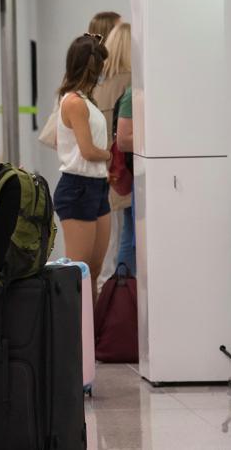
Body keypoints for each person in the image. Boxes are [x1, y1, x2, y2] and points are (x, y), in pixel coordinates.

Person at [53, 34, 113, 302]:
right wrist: (109, 154)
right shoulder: (74, 103)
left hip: (96, 185)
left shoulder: (84, 101)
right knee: (79, 272)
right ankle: (77, 338)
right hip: (78, 186)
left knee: (95, 269)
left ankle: (91, 336)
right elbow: (88, 151)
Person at [100, 22, 135, 274]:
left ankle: (111, 296)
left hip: (102, 167)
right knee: (128, 235)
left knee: (112, 239)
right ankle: (124, 296)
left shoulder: (97, 83)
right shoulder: (132, 83)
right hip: (127, 168)